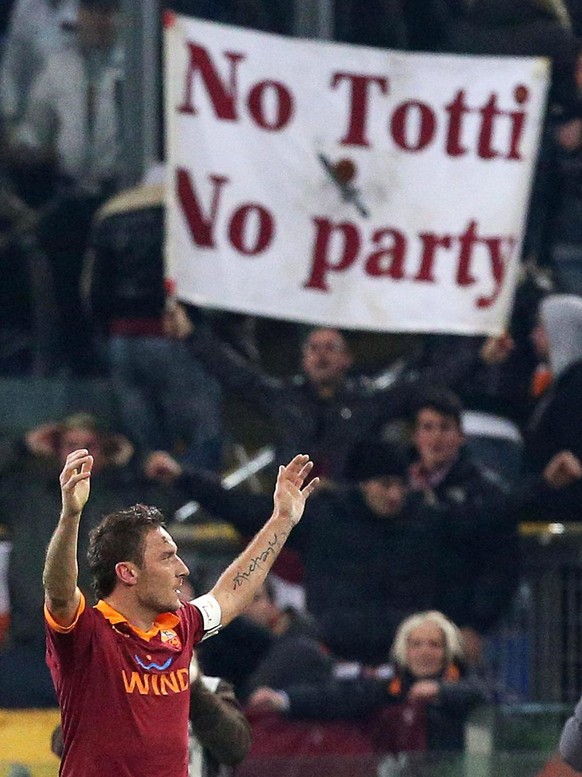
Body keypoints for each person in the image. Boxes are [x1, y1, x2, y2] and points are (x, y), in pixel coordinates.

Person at [43, 450, 318, 776]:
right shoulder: (88, 633)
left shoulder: (180, 626)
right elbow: (59, 592)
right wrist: (70, 516)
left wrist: (282, 520)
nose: (183, 569)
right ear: (128, 573)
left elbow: (230, 593)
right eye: (168, 557)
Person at [147, 440, 461, 664]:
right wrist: (183, 478)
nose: (395, 495)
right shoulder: (325, 518)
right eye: (385, 484)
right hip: (329, 656)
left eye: (400, 486)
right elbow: (244, 509)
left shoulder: (423, 523)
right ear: (363, 484)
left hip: (406, 661)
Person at [0, 412, 188, 707]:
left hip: (104, 641)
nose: (78, 454)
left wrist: (135, 458)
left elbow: (169, 499)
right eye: (70, 444)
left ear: (105, 452)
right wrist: (21, 447)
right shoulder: (26, 495)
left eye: (89, 446)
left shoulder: (123, 500)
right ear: (54, 448)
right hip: (32, 637)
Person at [246, 610, 488, 753]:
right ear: (404, 651)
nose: (425, 651)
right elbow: (335, 698)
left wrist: (441, 691)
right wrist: (283, 700)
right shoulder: (388, 688)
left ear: (448, 652)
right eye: (416, 644)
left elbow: (485, 695)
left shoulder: (467, 686)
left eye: (434, 644)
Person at [405, 388, 520, 664]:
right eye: (428, 427)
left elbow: (500, 567)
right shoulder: (396, 485)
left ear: (460, 436)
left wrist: (475, 625)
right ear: (415, 436)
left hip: (457, 625)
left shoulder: (486, 493)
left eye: (445, 428)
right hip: (403, 622)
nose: (436, 438)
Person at [49, 651, 253, 777]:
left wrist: (194, 689)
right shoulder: (117, 688)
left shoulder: (212, 689)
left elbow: (235, 749)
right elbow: (62, 746)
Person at [197, 578, 332, 700]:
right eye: (233, 600)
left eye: (255, 598)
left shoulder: (301, 653)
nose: (244, 607)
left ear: (272, 606)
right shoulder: (205, 654)